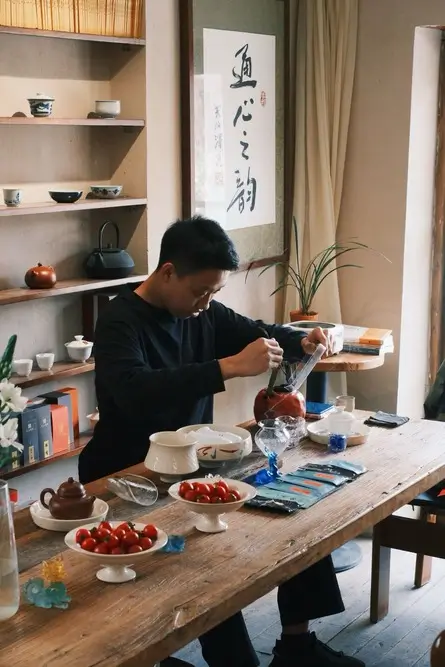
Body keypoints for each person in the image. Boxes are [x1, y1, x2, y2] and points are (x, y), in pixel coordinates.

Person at [79, 216, 364, 667]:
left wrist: (302, 339)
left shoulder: (202, 310)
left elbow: (255, 331)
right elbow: (133, 391)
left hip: (192, 463)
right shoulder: (118, 320)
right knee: (205, 574)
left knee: (293, 516)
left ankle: (296, 644)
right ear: (168, 271)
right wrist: (226, 368)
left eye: (214, 293)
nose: (206, 302)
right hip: (129, 472)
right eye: (200, 291)